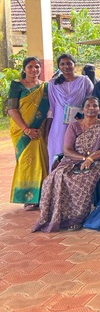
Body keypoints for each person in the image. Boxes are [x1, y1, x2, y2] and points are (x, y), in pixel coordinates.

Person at [33, 97, 100, 232]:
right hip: (71, 161)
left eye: (95, 106)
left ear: (99, 109)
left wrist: (91, 159)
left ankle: (76, 219)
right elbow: (67, 150)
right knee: (51, 180)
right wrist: (84, 157)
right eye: (88, 105)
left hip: (93, 164)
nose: (91, 108)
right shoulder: (74, 126)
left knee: (79, 181)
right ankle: (55, 216)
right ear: (83, 109)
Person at [8, 57, 50, 209]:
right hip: (22, 131)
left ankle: (42, 196)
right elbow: (12, 109)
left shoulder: (45, 87)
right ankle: (28, 197)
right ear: (24, 69)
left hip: (40, 130)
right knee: (26, 161)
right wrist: (26, 129)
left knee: (41, 161)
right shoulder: (17, 85)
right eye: (30, 67)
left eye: (37, 67)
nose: (34, 70)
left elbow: (49, 110)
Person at [47, 54, 95, 172]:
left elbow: (91, 102)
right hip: (59, 125)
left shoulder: (84, 81)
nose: (66, 66)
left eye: (69, 63)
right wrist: (47, 129)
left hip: (80, 122)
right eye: (62, 64)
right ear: (59, 66)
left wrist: (84, 117)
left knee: (79, 151)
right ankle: (56, 179)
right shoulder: (53, 83)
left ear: (74, 65)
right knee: (58, 152)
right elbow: (52, 107)